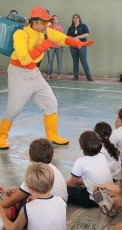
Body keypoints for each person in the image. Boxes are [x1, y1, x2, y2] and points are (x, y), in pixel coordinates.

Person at [0, 7, 94, 150]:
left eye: (47, 22)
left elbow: (60, 38)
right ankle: (1, 136)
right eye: (44, 23)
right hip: (19, 73)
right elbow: (24, 59)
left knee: (50, 103)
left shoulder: (45, 31)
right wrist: (42, 47)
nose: (47, 25)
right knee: (14, 109)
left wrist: (77, 43)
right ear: (35, 22)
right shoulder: (20, 34)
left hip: (34, 73)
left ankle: (52, 135)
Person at [0, 138, 67, 220]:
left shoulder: (36, 172)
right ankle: (3, 195)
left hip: (42, 213)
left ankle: (4, 197)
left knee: (7, 208)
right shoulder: (53, 169)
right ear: (52, 155)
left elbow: (12, 201)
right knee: (11, 196)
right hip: (59, 208)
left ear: (30, 157)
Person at [0, 163, 67, 230]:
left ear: (28, 188)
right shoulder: (61, 201)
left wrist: (2, 216)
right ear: (52, 184)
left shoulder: (27, 209)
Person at [67, 131, 113, 208]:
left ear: (80, 147)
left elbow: (71, 184)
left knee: (66, 190)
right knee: (80, 181)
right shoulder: (102, 155)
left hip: (93, 200)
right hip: (108, 194)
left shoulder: (80, 161)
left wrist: (63, 185)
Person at [67, 14, 93, 81]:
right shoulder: (71, 27)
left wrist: (78, 37)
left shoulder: (83, 26)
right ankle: (76, 76)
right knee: (75, 61)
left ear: (79, 19)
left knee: (84, 61)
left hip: (82, 46)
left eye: (77, 18)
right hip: (73, 47)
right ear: (72, 19)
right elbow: (67, 36)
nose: (75, 19)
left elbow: (87, 34)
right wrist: (74, 38)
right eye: (74, 18)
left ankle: (88, 76)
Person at [46, 15, 63, 80]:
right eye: (54, 19)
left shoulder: (60, 28)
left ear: (58, 20)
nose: (55, 20)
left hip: (59, 47)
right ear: (52, 20)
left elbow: (61, 37)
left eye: (56, 19)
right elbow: (48, 36)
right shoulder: (49, 27)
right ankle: (48, 75)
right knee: (50, 61)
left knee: (59, 61)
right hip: (51, 46)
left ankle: (59, 75)